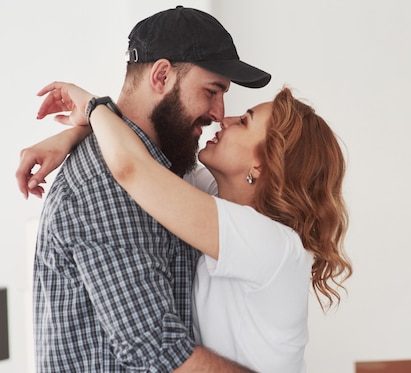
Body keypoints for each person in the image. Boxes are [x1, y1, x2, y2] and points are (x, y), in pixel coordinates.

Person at [17, 80, 353, 372]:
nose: (226, 118)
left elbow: (132, 169)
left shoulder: (271, 243)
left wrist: (92, 105)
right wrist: (73, 135)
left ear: (260, 165)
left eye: (245, 122)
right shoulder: (213, 193)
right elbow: (138, 148)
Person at [16, 6, 272, 373]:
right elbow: (157, 351)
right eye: (212, 91)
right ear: (162, 75)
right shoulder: (105, 186)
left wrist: (84, 125)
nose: (219, 112)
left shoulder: (166, 168)